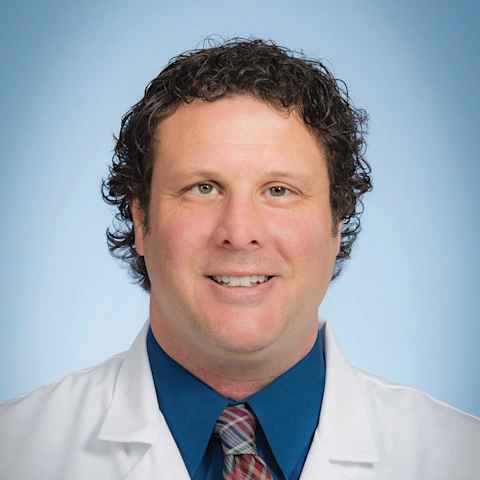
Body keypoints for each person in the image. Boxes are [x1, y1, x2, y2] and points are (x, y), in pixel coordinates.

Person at [0, 37, 478, 480]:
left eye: (279, 190)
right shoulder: (15, 449)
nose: (240, 232)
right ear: (141, 220)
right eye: (203, 188)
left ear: (337, 222)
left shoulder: (461, 456)